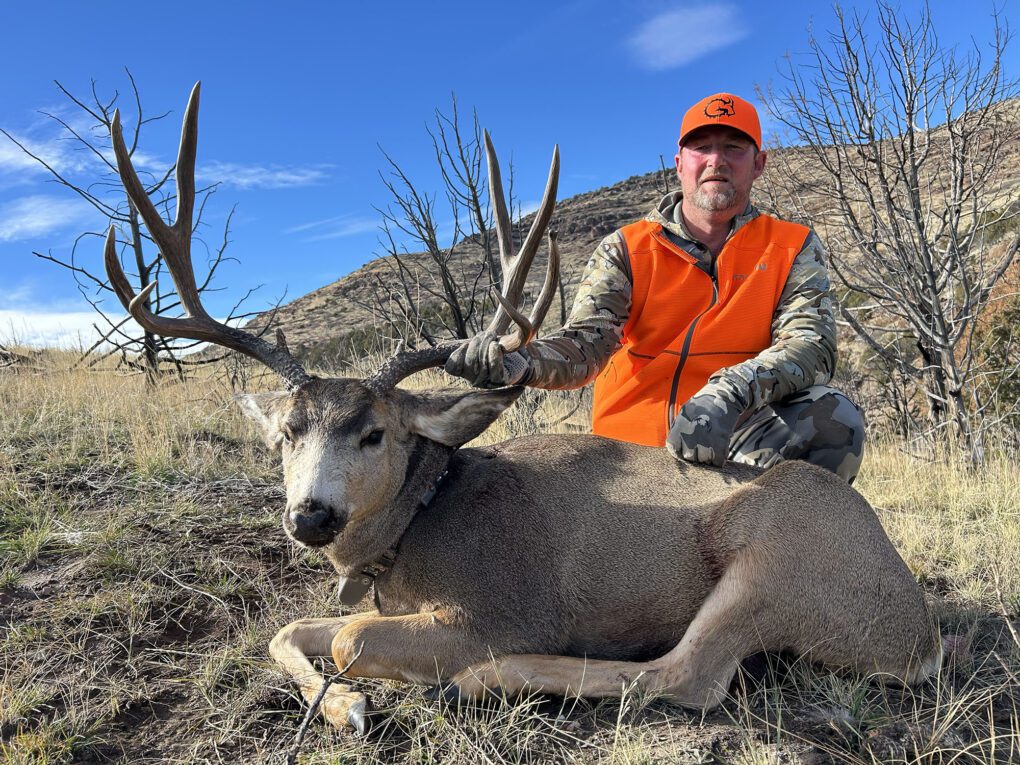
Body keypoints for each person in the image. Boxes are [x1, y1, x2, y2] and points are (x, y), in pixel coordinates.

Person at [446, 92, 865, 483]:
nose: (716, 160)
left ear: (759, 163)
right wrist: (520, 362)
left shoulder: (790, 245)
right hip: (626, 461)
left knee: (834, 421)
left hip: (731, 442)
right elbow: (585, 346)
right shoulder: (626, 248)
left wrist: (730, 390)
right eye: (702, 148)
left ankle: (771, 549)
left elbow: (811, 344)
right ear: (680, 162)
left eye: (734, 148)